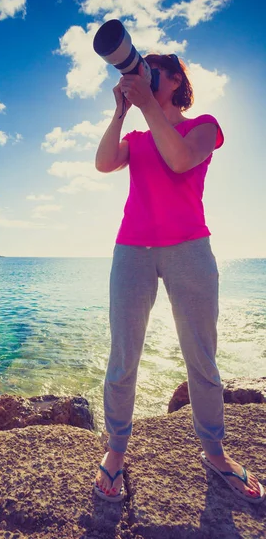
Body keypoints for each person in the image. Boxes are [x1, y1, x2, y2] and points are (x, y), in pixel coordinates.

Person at [93, 54, 265, 504]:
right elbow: (103, 163)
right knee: (123, 355)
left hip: (190, 248)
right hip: (132, 249)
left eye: (153, 67)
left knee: (200, 357)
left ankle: (215, 453)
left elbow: (181, 160)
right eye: (140, 65)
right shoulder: (135, 135)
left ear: (174, 79)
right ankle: (115, 451)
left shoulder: (203, 126)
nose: (143, 72)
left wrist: (148, 104)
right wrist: (120, 111)